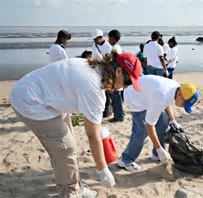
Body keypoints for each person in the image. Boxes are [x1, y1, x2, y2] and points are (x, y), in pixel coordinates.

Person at [10, 52, 142, 197]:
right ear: (118, 71)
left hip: (43, 93)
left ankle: (74, 183)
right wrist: (103, 170)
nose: (126, 87)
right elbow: (93, 136)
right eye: (128, 82)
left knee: (67, 141)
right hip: (30, 100)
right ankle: (70, 191)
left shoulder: (93, 67)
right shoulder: (94, 88)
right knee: (66, 149)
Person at [118, 75, 199, 171]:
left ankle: (156, 155)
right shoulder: (161, 96)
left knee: (164, 120)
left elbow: (166, 103)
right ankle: (126, 160)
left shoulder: (176, 88)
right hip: (135, 97)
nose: (182, 106)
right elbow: (149, 126)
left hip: (147, 94)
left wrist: (173, 120)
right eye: (184, 103)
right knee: (142, 131)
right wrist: (159, 149)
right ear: (180, 94)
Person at [108, 29, 125, 122]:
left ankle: (118, 116)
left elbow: (115, 63)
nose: (108, 40)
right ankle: (119, 114)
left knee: (116, 96)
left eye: (109, 38)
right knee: (117, 96)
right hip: (118, 74)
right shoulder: (118, 47)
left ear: (113, 38)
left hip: (117, 74)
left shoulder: (115, 48)